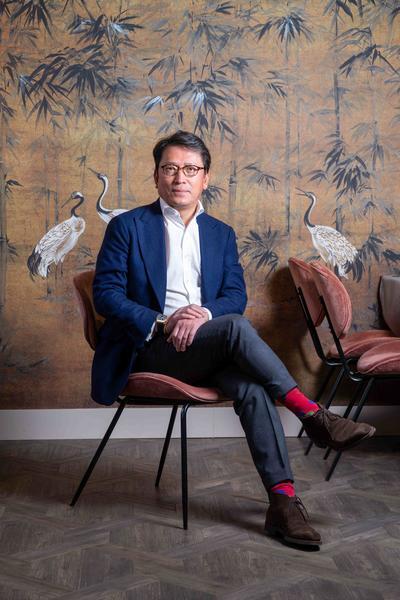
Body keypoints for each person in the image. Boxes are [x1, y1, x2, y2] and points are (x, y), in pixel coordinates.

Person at [92, 130, 375, 548]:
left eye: (191, 169)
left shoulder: (220, 233)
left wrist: (202, 315)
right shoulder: (127, 226)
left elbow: (233, 296)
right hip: (150, 349)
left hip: (205, 347)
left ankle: (283, 502)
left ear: (205, 178)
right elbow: (106, 294)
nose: (180, 178)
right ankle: (311, 414)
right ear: (156, 175)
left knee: (252, 388)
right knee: (237, 328)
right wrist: (165, 321)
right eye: (170, 168)